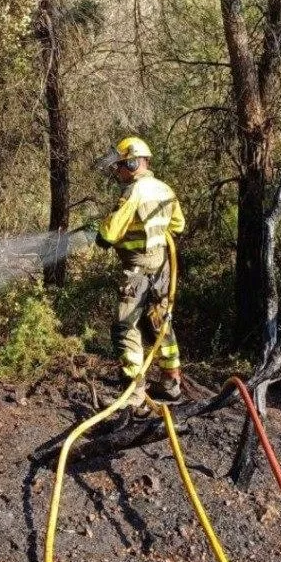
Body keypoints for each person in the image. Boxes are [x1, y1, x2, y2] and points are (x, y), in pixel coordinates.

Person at [93, 136, 185, 409]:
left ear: (133, 163)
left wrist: (101, 235)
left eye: (120, 166)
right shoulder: (165, 189)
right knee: (160, 322)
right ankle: (171, 383)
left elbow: (110, 232)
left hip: (137, 271)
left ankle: (133, 396)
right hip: (162, 269)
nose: (117, 171)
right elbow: (178, 225)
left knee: (126, 327)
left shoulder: (133, 192)